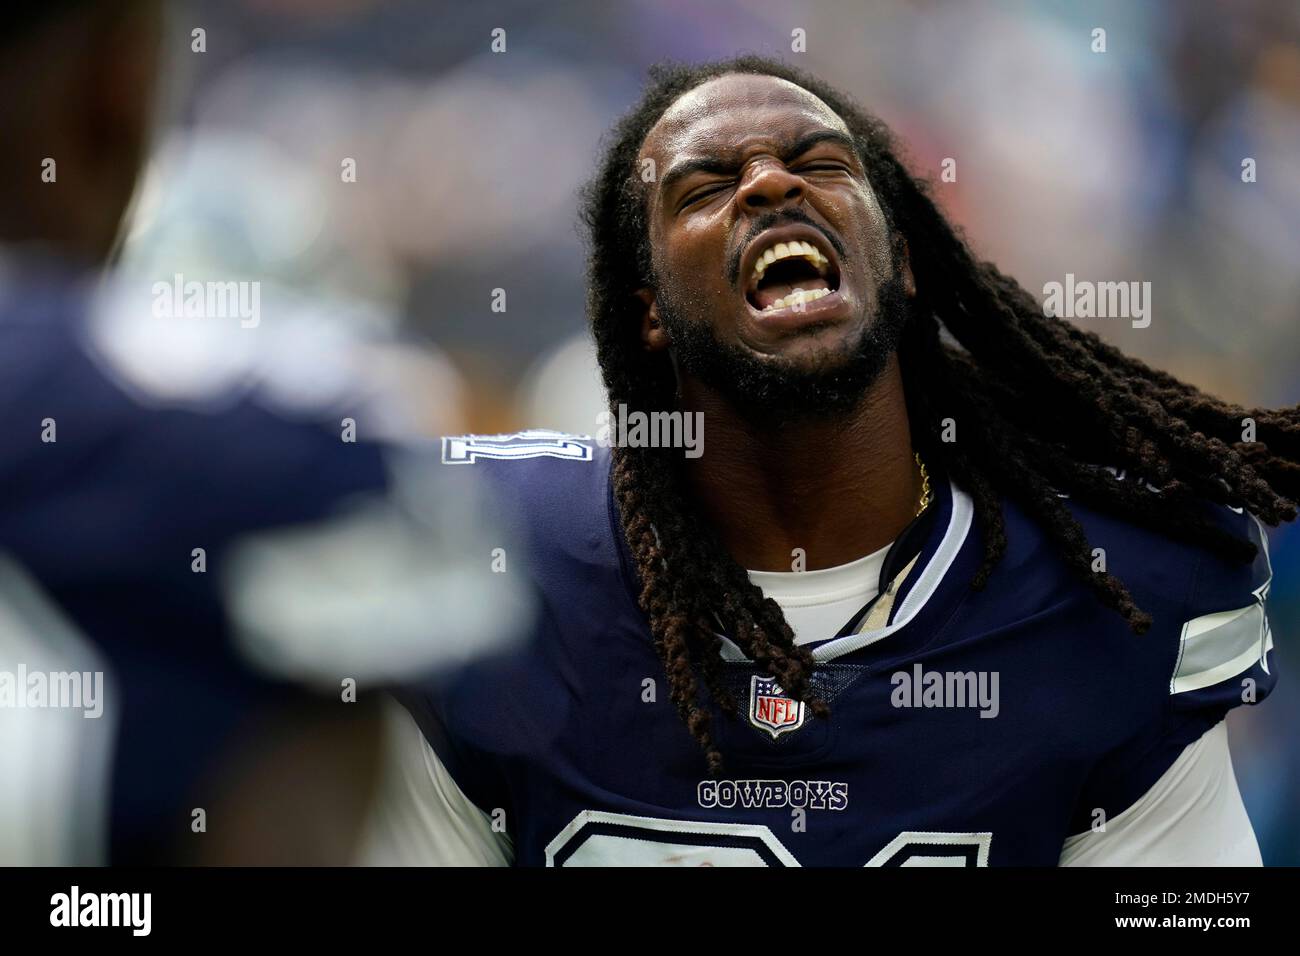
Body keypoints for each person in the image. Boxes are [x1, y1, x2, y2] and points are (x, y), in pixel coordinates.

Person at [360, 57, 1291, 866]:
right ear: (647, 308)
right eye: (704, 186)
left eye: (821, 163)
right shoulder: (498, 563)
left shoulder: (1108, 589)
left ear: (903, 262)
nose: (770, 184)